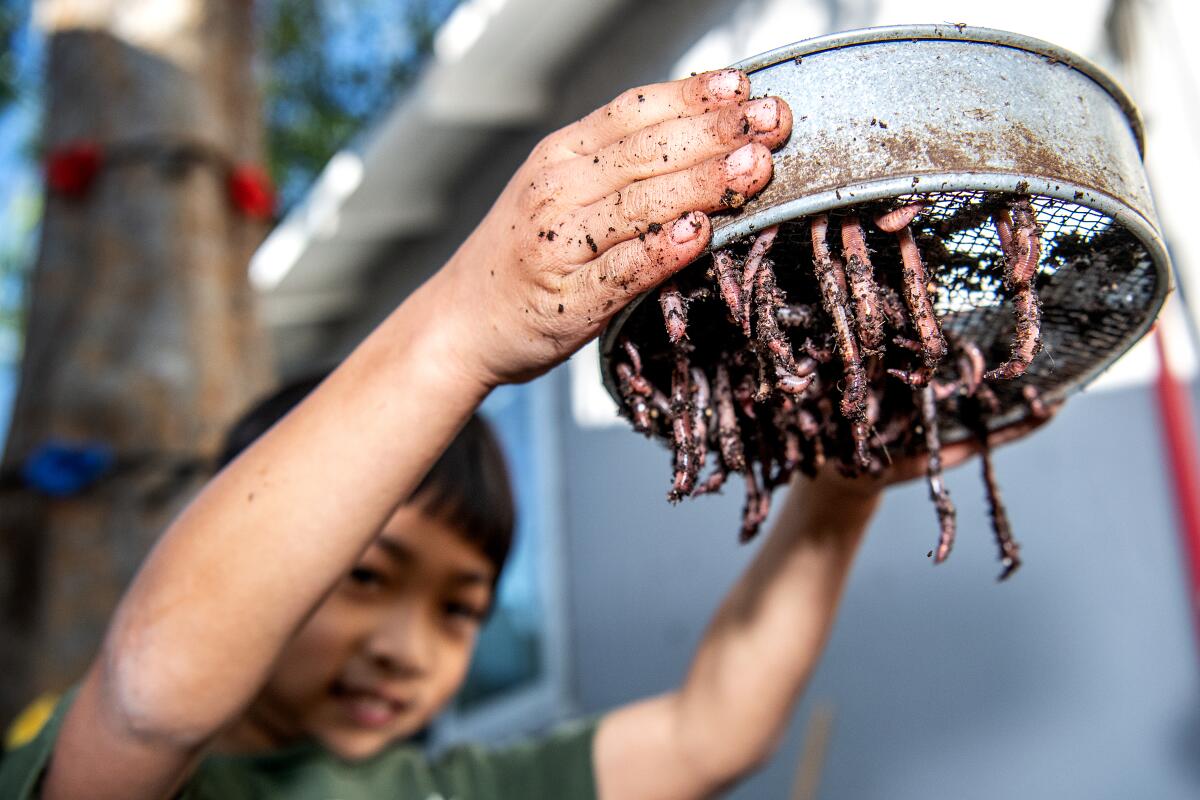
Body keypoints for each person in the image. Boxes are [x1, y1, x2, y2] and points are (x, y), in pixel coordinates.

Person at [0, 69, 1046, 799]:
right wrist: (455, 333)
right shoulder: (119, 759)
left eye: (461, 608)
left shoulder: (448, 784)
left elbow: (709, 733)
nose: (406, 650)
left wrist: (841, 489)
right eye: (367, 575)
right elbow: (150, 698)